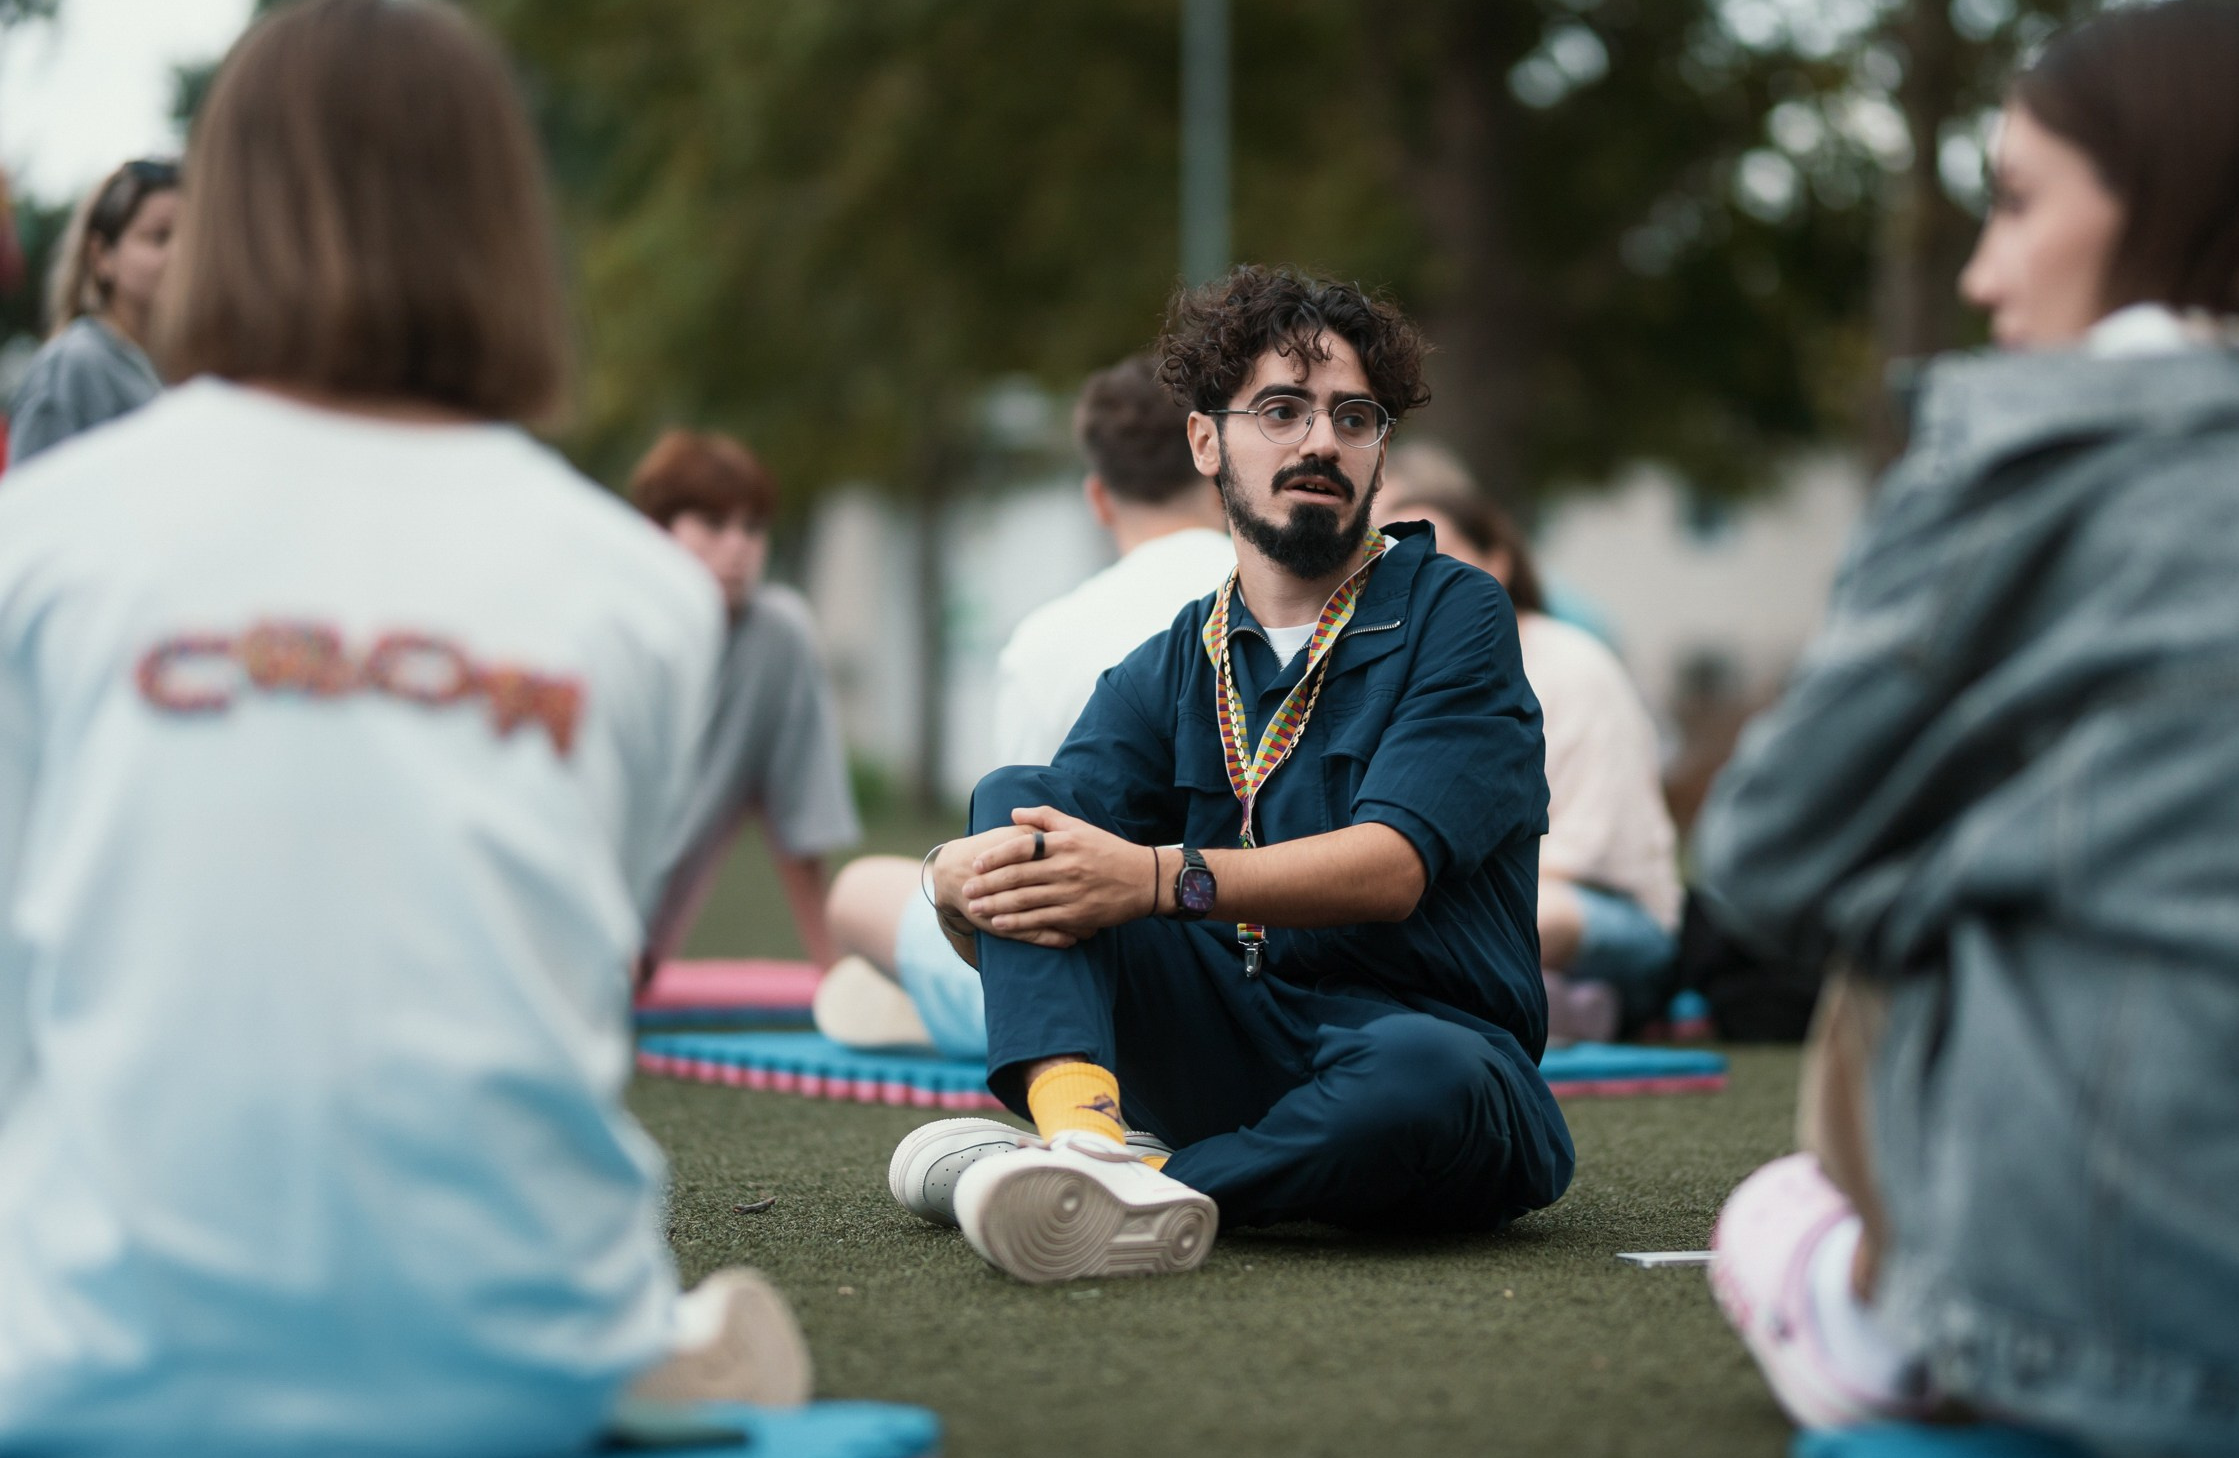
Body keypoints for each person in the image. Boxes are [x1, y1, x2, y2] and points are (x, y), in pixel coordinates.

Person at [1702, 0, 2239, 1458]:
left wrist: (1987, 854)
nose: (1981, 272)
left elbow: (1767, 857)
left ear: (2163, 202)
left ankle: (1875, 1314)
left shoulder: (2044, 443)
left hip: (2142, 1342)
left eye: (2020, 203)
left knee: (1884, 935)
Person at [0, 0, 807, 1458]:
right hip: (518, 1371)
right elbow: (579, 971)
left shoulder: (38, 539)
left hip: (86, 1369)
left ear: (223, 215)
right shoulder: (639, 588)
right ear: (501, 222)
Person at [883, 266, 1575, 1285]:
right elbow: (1043, 828)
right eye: (1282, 411)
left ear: (1381, 449)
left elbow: (1392, 868)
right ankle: (1081, 1139)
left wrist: (1160, 879)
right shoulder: (1181, 651)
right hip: (1231, 1043)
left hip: (1424, 1056)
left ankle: (1130, 1180)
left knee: (1421, 1079)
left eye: (1353, 417)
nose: (1320, 441)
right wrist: (952, 877)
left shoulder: (1454, 612)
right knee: (1018, 801)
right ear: (1206, 440)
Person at [822, 357, 1231, 1057]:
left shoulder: (1051, 638)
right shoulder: (1287, 601)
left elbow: (1010, 861)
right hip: (1250, 944)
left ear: (1099, 498)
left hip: (1111, 983)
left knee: (862, 889)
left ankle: (942, 1006)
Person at [1374, 476, 1681, 1040]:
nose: (1416, 579)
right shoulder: (1393, 673)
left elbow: (1590, 851)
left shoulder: (1572, 664)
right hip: (1464, 910)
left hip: (1601, 913)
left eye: (1436, 557)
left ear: (1498, 561)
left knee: (1529, 915)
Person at [627, 429, 860, 975]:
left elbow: (800, 828)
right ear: (655, 532)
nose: (737, 546)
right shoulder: (614, 624)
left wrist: (840, 979)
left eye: (752, 528)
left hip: (640, 948)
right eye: (713, 524)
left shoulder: (777, 636)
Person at [8, 157, 180, 464]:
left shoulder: (180, 368)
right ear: (102, 255)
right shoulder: (72, 366)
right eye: (160, 236)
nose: (180, 253)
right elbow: (35, 501)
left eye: (191, 237)